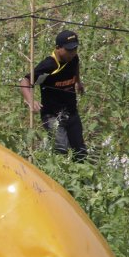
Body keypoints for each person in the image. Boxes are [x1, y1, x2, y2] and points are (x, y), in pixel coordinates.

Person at [18, 29, 87, 161]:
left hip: (72, 113)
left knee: (80, 152)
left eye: (75, 49)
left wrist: (78, 82)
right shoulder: (50, 65)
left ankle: (81, 180)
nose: (72, 53)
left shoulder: (73, 58)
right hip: (52, 116)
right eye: (69, 50)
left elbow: (75, 66)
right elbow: (25, 81)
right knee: (62, 151)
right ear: (58, 48)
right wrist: (31, 101)